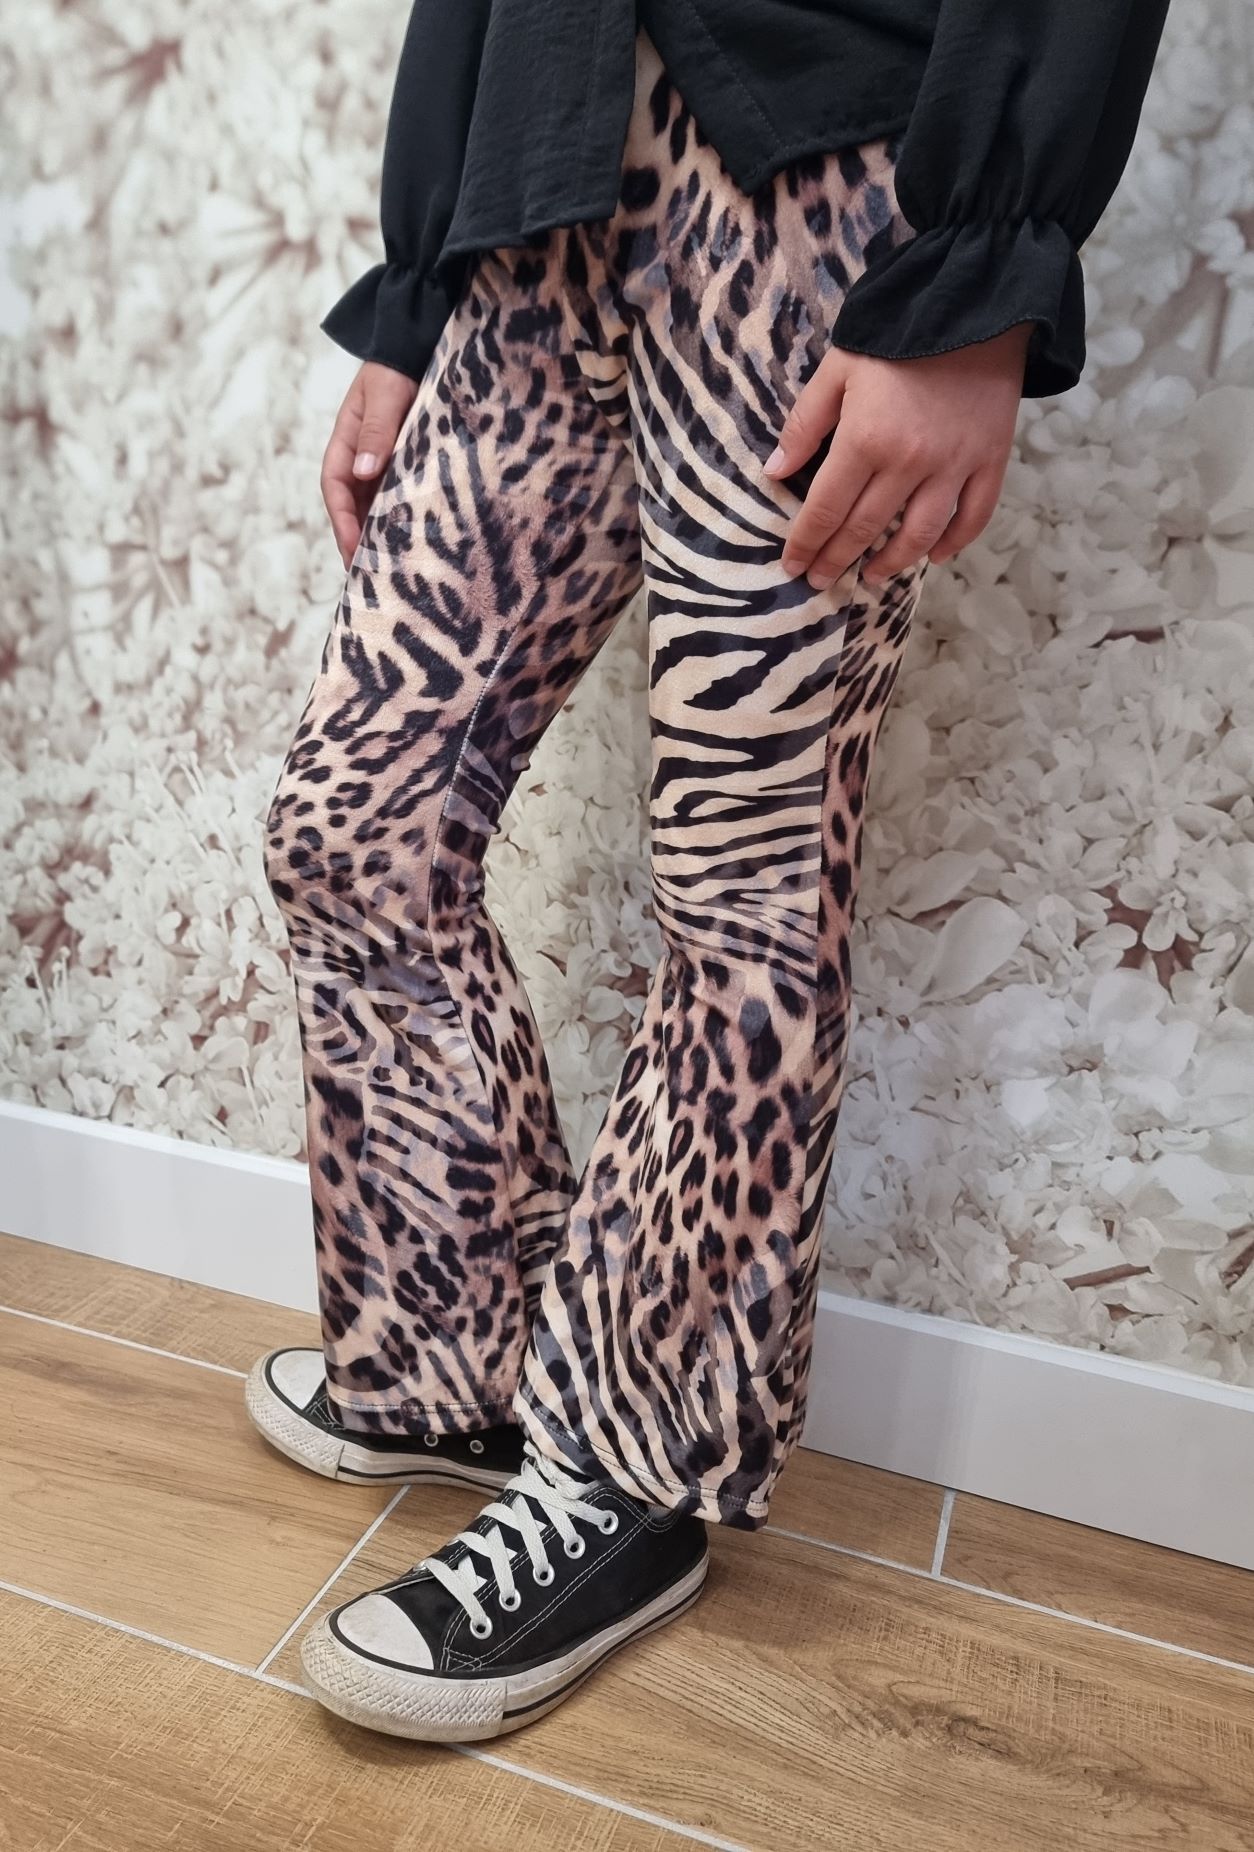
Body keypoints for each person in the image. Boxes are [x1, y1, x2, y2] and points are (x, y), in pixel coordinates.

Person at [246, 0, 1169, 1743]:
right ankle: (458, 1364)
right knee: (352, 823)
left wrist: (975, 268)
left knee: (742, 882)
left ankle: (626, 1468)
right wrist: (417, 289)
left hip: (822, 191)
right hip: (530, 202)